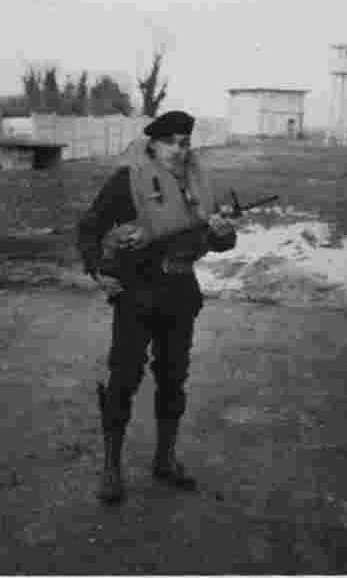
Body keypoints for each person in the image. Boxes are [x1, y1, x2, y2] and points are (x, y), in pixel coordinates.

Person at [76, 109, 237, 505]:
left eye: (186, 144)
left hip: (180, 292)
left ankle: (165, 459)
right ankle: (111, 468)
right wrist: (98, 271)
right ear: (153, 144)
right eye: (172, 144)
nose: (180, 151)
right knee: (123, 378)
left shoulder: (200, 183)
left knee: (173, 377)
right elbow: (89, 229)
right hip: (136, 292)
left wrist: (222, 234)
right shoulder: (126, 180)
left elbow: (220, 244)